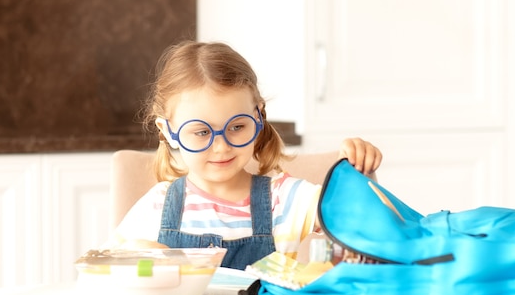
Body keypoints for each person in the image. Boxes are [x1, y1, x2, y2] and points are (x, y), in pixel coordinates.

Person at [108, 40, 383, 270]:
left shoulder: (286, 201)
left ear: (259, 117)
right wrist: (140, 254)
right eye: (201, 132)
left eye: (237, 127)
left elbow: (369, 228)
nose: (221, 147)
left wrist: (356, 172)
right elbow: (108, 268)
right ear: (168, 131)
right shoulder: (157, 207)